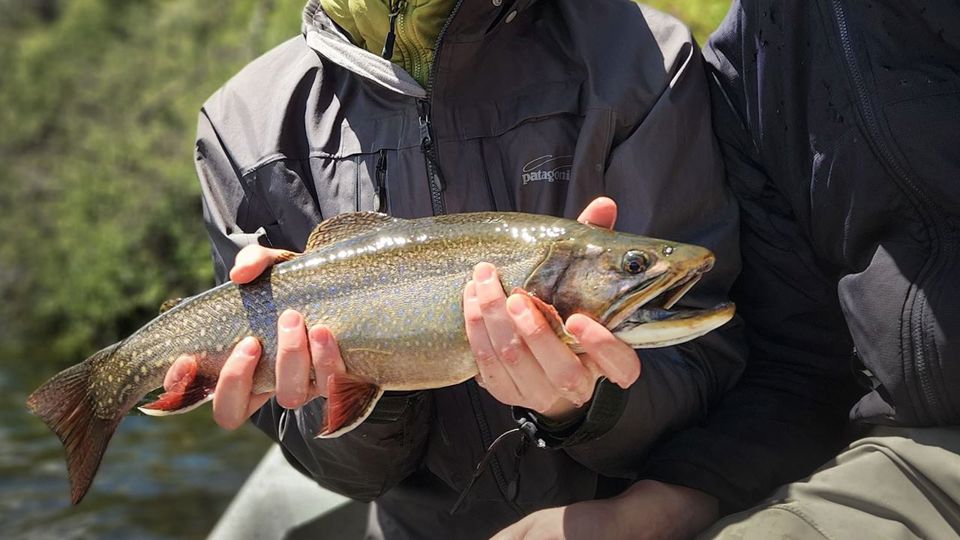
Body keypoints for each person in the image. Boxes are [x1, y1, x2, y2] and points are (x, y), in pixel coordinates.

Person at [168, 0, 745, 538]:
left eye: (635, 263)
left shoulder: (643, 58)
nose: (647, 269)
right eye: (636, 264)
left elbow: (717, 369)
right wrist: (367, 378)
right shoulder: (242, 126)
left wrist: (591, 405)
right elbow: (341, 471)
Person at [496, 1, 960, 538]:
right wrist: (664, 503)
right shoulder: (753, 53)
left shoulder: (664, 61)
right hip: (901, 456)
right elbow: (801, 362)